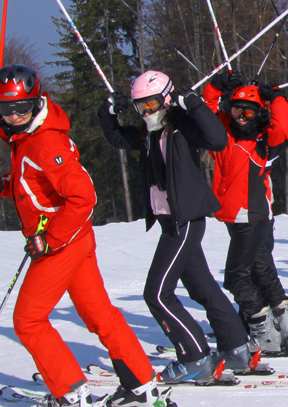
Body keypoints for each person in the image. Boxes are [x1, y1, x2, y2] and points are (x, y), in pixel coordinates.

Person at [0, 65, 168, 407]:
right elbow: (37, 185)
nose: (15, 115)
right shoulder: (28, 138)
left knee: (28, 320)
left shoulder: (44, 141)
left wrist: (49, 240)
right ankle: (142, 386)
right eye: (6, 109)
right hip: (75, 240)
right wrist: (3, 186)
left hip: (61, 243)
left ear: (37, 102)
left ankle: (69, 395)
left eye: (22, 106)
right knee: (99, 314)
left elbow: (83, 197)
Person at [100, 70, 248, 383]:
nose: (147, 112)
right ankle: (236, 346)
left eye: (152, 104)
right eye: (140, 107)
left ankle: (194, 357)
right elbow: (115, 137)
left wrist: (194, 104)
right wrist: (108, 112)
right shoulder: (149, 133)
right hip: (172, 223)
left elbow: (218, 140)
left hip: (185, 221)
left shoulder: (182, 127)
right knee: (201, 287)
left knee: (156, 294)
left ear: (167, 99)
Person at [202, 72, 288, 357]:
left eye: (248, 111)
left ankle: (263, 333)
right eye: (236, 109)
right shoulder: (223, 130)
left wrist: (276, 96)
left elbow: (283, 128)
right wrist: (219, 85)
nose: (241, 116)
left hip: (251, 215)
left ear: (260, 112)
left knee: (236, 278)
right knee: (260, 269)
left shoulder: (263, 140)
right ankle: (285, 327)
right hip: (234, 215)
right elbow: (207, 109)